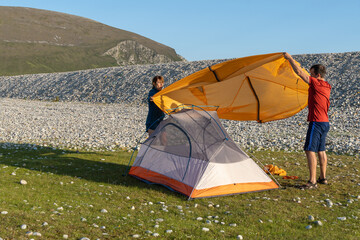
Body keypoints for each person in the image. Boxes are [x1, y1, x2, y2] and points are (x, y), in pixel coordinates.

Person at [284, 52, 331, 189]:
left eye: (311, 74)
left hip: (316, 122)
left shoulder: (316, 83)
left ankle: (312, 182)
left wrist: (289, 58)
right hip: (325, 122)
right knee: (321, 150)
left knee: (309, 150)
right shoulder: (327, 86)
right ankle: (323, 178)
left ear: (317, 75)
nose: (309, 76)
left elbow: (299, 72)